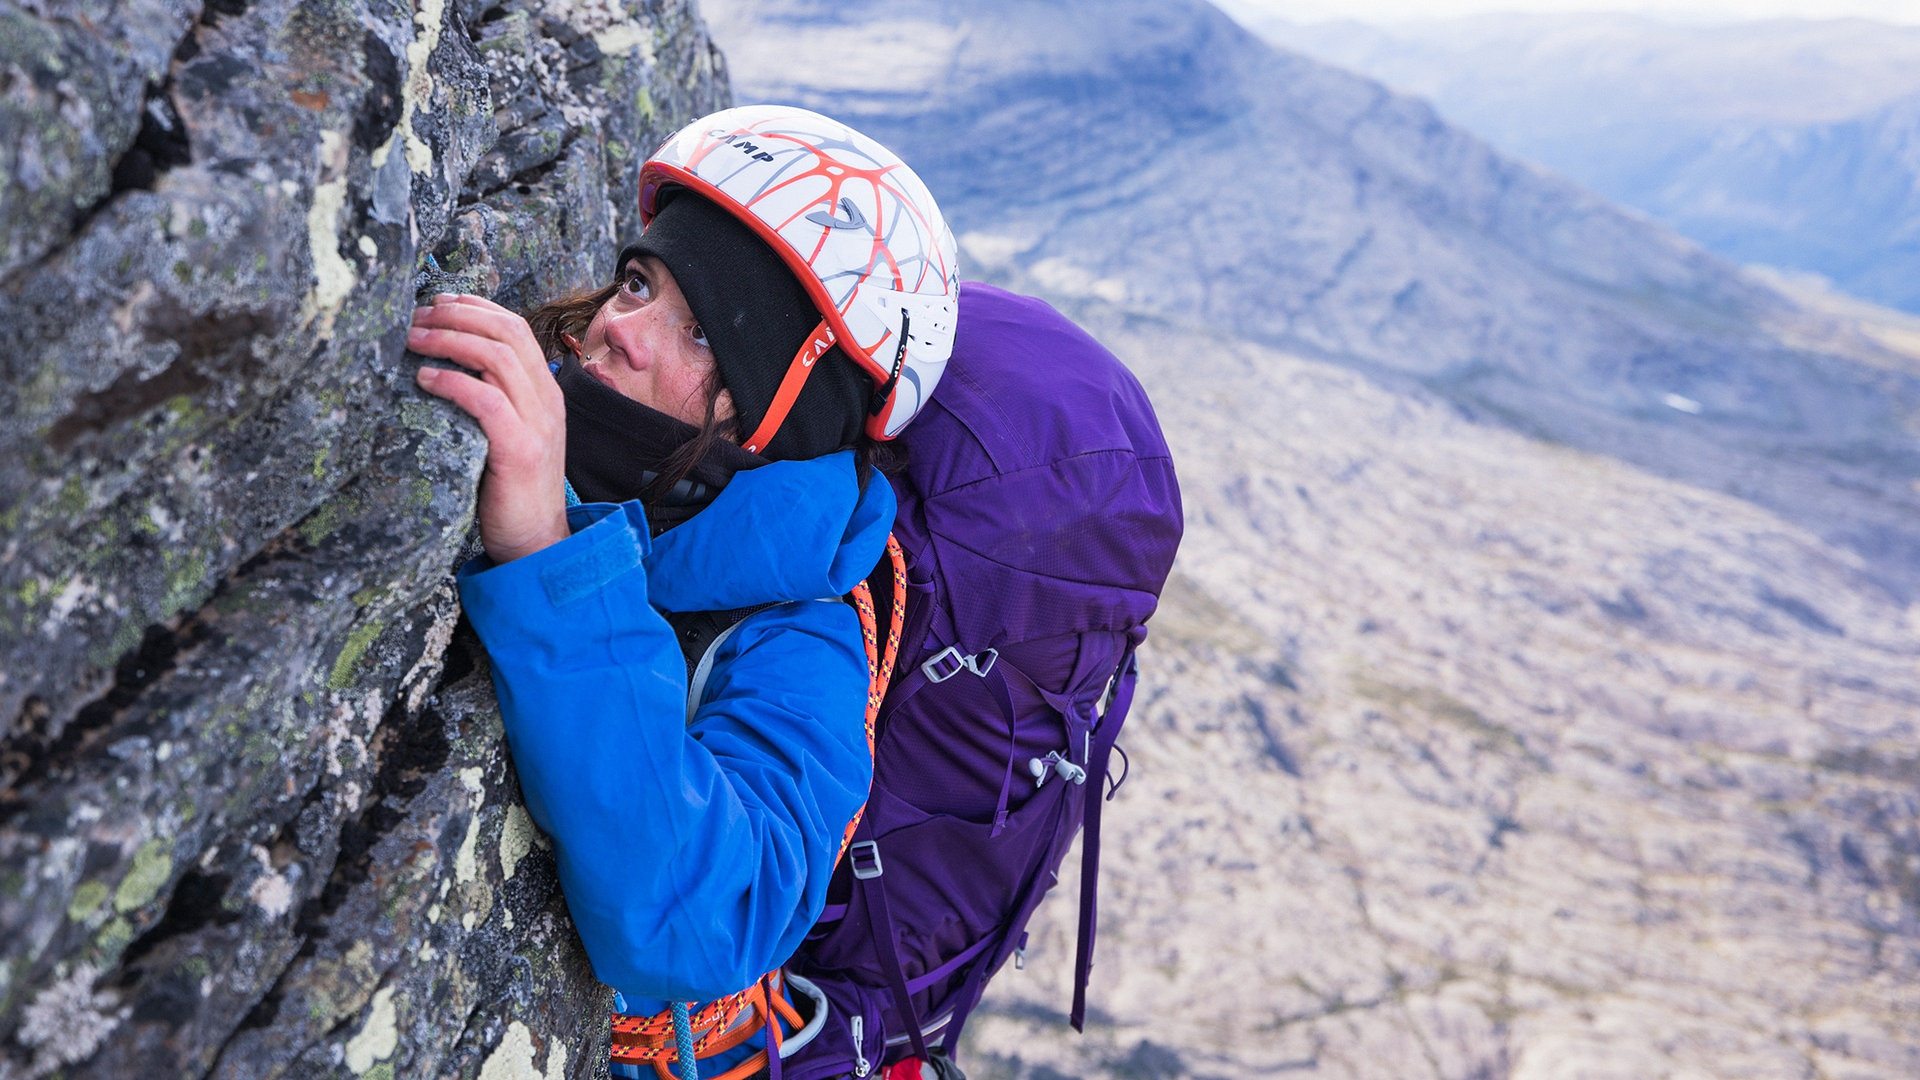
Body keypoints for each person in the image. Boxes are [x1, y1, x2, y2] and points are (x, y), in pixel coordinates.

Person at [406, 106, 959, 1079]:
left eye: (700, 329)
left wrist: (544, 551)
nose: (620, 331)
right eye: (636, 282)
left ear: (783, 414)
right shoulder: (585, 452)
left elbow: (706, 923)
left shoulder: (803, 643)